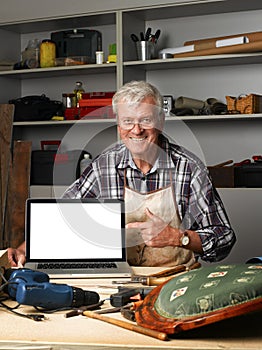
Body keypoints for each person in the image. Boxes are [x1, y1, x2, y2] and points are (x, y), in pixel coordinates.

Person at [8, 80, 236, 267]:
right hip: (119, 280)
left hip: (175, 282)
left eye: (145, 120)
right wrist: (23, 250)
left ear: (160, 121)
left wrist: (178, 237)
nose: (136, 130)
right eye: (128, 121)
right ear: (118, 125)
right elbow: (64, 219)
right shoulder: (104, 166)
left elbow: (224, 238)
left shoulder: (188, 168)